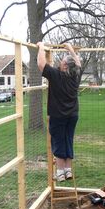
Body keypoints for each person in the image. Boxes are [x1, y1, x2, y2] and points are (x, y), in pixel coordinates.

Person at [36, 42, 82, 182]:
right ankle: (68, 171)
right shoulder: (75, 77)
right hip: (72, 115)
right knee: (68, 140)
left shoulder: (56, 75)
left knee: (58, 142)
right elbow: (78, 64)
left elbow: (41, 64)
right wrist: (70, 50)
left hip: (58, 116)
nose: (59, 63)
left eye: (62, 62)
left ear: (65, 66)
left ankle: (60, 172)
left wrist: (41, 47)